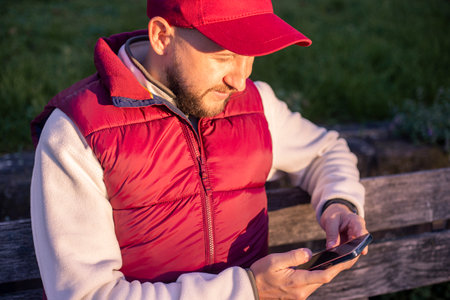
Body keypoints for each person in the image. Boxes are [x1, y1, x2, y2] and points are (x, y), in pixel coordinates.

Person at [30, 0, 368, 299]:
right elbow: (84, 295)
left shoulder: (254, 103)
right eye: (224, 56)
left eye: (250, 54)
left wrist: (338, 202)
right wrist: (247, 290)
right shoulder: (76, 133)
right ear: (162, 36)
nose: (239, 80)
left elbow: (325, 151)